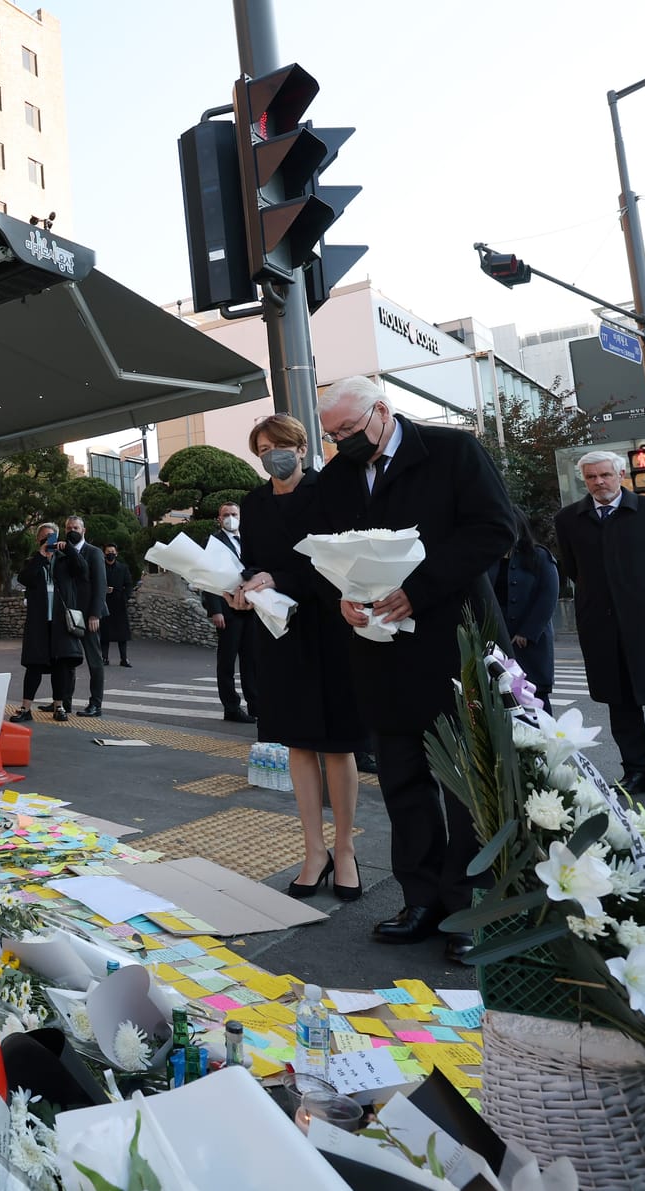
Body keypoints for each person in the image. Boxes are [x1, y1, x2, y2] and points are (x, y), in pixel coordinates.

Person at [310, 376, 513, 962]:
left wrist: (417, 590)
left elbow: (494, 530)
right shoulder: (339, 478)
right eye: (332, 435)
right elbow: (323, 550)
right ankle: (420, 898)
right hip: (379, 649)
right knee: (402, 780)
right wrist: (340, 598)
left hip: (454, 643)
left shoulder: (452, 452)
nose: (341, 442)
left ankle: (473, 906)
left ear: (382, 410)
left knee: (468, 782)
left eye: (349, 430)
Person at [233, 415, 368, 900]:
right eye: (263, 448)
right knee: (297, 744)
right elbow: (252, 562)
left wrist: (278, 579)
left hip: (329, 628)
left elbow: (338, 563)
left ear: (302, 445)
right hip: (278, 631)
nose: (272, 454)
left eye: (279, 445)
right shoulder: (253, 501)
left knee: (337, 743)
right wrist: (241, 588)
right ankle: (315, 850)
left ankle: (346, 848)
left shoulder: (328, 491)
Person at [557, 450, 645, 801]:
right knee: (620, 706)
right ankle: (636, 772)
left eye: (605, 475)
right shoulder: (569, 519)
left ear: (621, 474)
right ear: (583, 480)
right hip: (602, 627)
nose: (599, 482)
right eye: (591, 477)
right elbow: (574, 569)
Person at [8, 523, 88, 723]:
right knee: (34, 664)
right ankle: (26, 708)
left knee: (61, 664)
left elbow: (82, 569)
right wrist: (40, 556)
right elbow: (25, 579)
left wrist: (68, 548)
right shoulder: (33, 561)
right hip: (39, 622)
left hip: (61, 621)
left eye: (52, 537)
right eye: (44, 538)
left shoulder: (65, 560)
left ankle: (59, 705)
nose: (48, 541)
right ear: (38, 541)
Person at [491, 509, 560, 714]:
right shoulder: (488, 558)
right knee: (501, 696)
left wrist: (527, 632)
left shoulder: (538, 555)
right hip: (497, 639)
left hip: (529, 641)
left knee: (536, 697)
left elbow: (548, 596)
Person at [199, 501, 259, 723]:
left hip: (251, 607)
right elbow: (208, 576)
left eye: (234, 514)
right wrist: (215, 610)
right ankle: (231, 707)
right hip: (227, 609)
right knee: (227, 661)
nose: (230, 518)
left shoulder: (248, 539)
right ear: (219, 518)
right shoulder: (213, 541)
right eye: (226, 515)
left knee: (251, 659)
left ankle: (256, 705)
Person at [61, 516, 107, 717]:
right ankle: (64, 702)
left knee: (94, 660)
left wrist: (95, 614)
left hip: (89, 614)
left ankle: (96, 703)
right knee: (67, 658)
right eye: (69, 528)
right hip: (69, 613)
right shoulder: (62, 553)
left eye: (76, 527)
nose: (73, 530)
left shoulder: (94, 552)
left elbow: (100, 584)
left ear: (84, 530)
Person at [100, 545, 134, 667]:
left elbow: (129, 584)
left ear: (117, 553)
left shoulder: (123, 568)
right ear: (104, 554)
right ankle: (104, 658)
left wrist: (125, 597)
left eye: (113, 552)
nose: (110, 554)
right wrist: (103, 591)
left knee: (122, 634)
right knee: (104, 633)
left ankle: (124, 658)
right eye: (108, 552)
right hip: (104, 603)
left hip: (119, 603)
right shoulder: (100, 567)